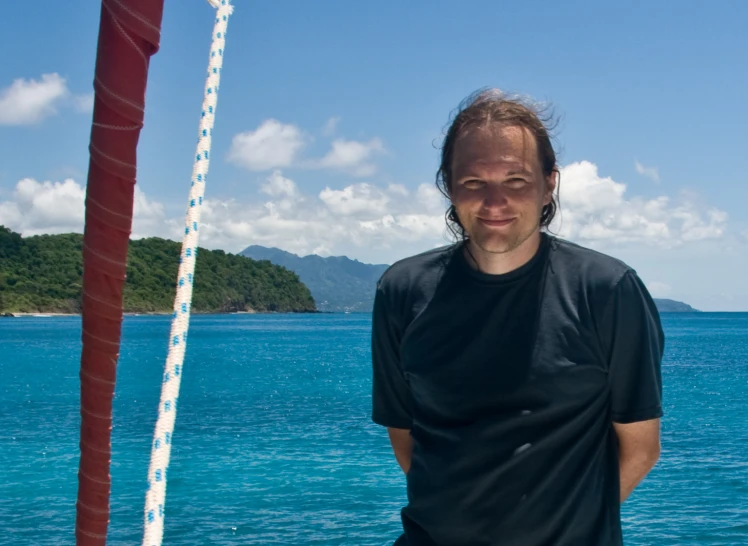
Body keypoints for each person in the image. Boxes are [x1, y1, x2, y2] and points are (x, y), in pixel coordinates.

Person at [370, 88, 664, 546]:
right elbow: (405, 437)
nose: (494, 202)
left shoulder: (607, 291)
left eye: (515, 181)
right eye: (473, 183)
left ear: (549, 183)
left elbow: (641, 449)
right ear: (449, 184)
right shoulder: (402, 291)